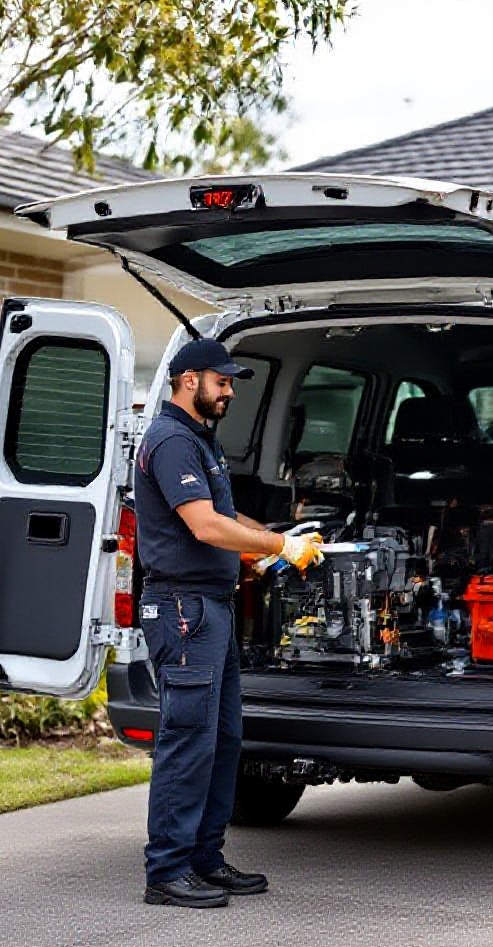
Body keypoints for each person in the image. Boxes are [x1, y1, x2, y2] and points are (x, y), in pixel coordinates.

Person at [134, 337, 323, 909]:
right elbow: (204, 528)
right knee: (187, 741)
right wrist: (274, 546)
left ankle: (204, 860)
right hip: (183, 612)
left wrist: (274, 541)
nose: (230, 391)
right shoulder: (169, 440)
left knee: (222, 739)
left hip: (209, 609)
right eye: (222, 381)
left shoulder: (198, 441)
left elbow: (224, 516)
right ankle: (167, 872)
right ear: (189, 380)